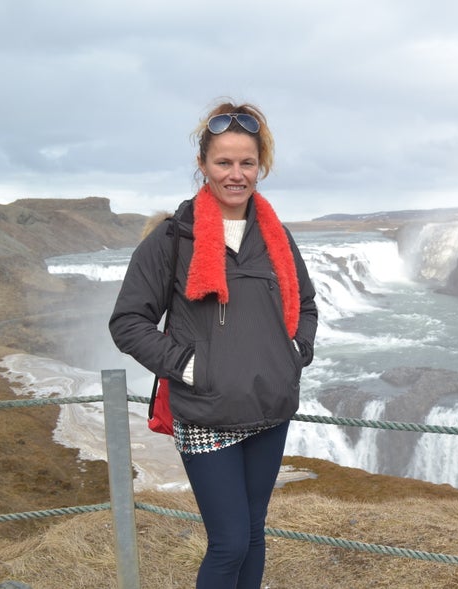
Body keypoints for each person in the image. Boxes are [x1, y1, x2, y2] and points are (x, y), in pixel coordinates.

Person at [109, 100, 318, 588]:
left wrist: (293, 355)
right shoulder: (172, 239)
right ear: (203, 165)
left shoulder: (276, 236)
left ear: (260, 167)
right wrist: (190, 367)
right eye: (224, 162)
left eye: (247, 163)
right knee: (229, 544)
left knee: (254, 535)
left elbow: (305, 305)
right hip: (206, 411)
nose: (236, 174)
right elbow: (128, 321)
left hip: (269, 405)